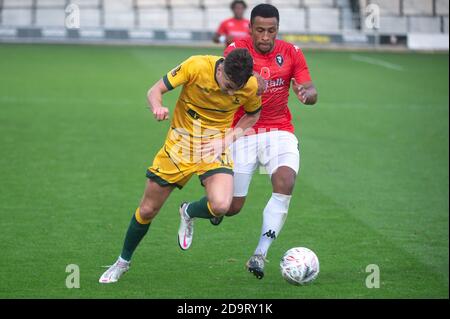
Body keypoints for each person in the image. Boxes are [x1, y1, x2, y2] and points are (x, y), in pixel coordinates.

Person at [99, 48, 261, 283]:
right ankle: (122, 262)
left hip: (214, 146)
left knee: (222, 205)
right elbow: (155, 90)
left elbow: (252, 115)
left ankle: (188, 212)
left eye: (236, 89)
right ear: (221, 67)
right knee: (147, 210)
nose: (230, 92)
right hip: (180, 144)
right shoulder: (196, 66)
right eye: (227, 85)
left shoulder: (251, 85)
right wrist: (157, 106)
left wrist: (225, 140)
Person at [211, 3, 318, 279]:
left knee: (285, 182)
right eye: (260, 30)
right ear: (251, 29)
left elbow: (310, 87)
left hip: (280, 130)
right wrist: (247, 78)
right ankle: (193, 209)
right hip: (243, 131)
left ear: (277, 29)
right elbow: (227, 80)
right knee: (232, 207)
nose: (266, 37)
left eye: (271, 31)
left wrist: (308, 94)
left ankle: (260, 254)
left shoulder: (292, 52)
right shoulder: (236, 49)